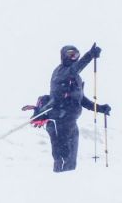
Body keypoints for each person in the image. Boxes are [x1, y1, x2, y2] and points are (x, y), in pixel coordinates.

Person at [40, 43, 111, 173]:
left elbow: (81, 100)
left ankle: (68, 188)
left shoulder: (76, 78)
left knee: (71, 161)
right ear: (63, 56)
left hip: (71, 123)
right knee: (63, 158)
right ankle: (58, 186)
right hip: (59, 121)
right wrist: (90, 55)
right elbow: (75, 68)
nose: (73, 57)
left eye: (76, 55)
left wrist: (100, 109)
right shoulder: (61, 71)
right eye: (70, 54)